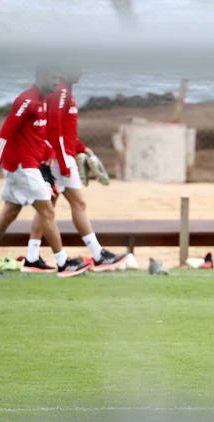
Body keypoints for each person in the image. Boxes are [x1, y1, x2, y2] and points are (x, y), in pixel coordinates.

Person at [0, 65, 91, 278]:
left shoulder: (41, 102)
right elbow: (5, 133)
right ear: (41, 78)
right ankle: (63, 263)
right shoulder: (27, 101)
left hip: (26, 166)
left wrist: (49, 151)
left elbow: (34, 137)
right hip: (23, 168)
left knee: (10, 212)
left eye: (58, 78)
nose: (56, 82)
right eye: (53, 78)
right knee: (47, 211)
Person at [21, 67, 126, 273]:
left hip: (62, 157)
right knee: (67, 205)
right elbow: (53, 130)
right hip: (60, 160)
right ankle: (97, 255)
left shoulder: (64, 91)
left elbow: (64, 132)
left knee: (53, 205)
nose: (81, 71)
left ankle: (32, 257)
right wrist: (63, 160)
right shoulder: (60, 92)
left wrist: (82, 148)